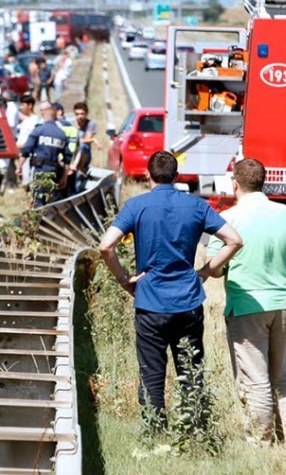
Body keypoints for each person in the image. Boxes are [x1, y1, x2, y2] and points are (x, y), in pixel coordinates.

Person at [98, 151, 243, 426]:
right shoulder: (195, 206)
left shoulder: (135, 206)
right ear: (176, 177)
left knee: (152, 375)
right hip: (188, 302)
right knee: (190, 372)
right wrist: (205, 271)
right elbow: (234, 240)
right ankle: (194, 431)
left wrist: (124, 279)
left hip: (150, 304)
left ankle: (155, 431)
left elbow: (106, 246)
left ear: (147, 175)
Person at [204, 158, 286, 445]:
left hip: (247, 305)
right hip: (283, 303)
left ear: (235, 182)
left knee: (256, 379)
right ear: (264, 182)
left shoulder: (229, 218)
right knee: (282, 376)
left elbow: (215, 267)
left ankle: (262, 443)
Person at [16, 101, 72, 207]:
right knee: (54, 201)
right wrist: (64, 178)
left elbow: (26, 150)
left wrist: (19, 167)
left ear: (45, 116)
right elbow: (67, 159)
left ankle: (39, 221)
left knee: (38, 200)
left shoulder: (38, 130)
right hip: (55, 172)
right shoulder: (62, 134)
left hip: (40, 170)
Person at [73, 102, 102, 193]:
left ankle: (80, 170)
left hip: (84, 154)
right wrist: (93, 140)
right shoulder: (71, 124)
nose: (80, 116)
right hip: (73, 154)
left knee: (82, 146)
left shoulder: (90, 124)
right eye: (77, 114)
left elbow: (86, 139)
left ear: (86, 114)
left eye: (82, 114)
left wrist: (91, 139)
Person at [15, 93, 40, 189]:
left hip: (28, 157)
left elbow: (34, 141)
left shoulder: (34, 121)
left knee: (29, 185)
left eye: (23, 105)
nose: (21, 108)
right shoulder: (27, 121)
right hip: (23, 156)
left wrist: (21, 146)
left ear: (30, 105)